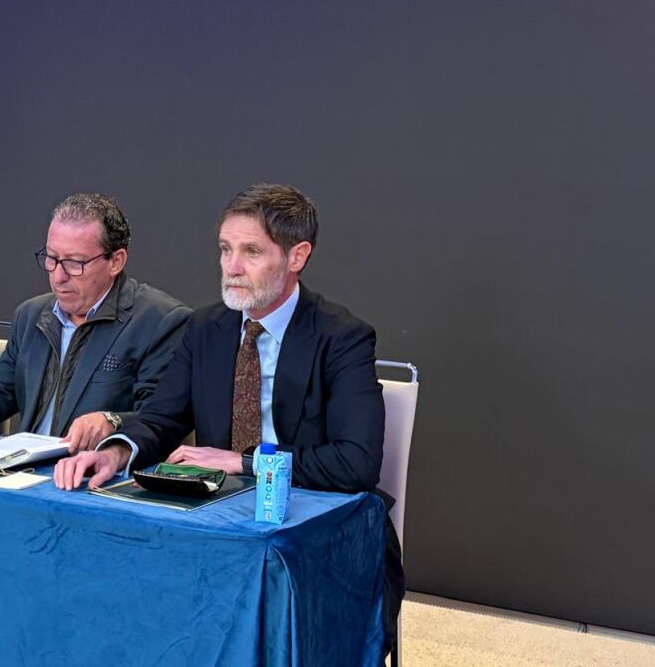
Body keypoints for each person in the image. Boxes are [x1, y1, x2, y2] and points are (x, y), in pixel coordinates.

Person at [53, 183, 403, 655]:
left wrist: (244, 462)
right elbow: (160, 419)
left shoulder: (342, 337)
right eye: (225, 249)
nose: (232, 267)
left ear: (297, 256)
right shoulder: (206, 328)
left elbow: (355, 463)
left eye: (251, 252)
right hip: (217, 520)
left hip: (316, 537)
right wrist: (116, 451)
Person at [0, 193, 190, 452]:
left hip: (92, 480)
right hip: (21, 470)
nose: (58, 276)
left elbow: (159, 421)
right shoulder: (31, 315)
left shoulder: (159, 321)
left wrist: (112, 421)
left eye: (74, 263)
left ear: (116, 261)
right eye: (51, 258)